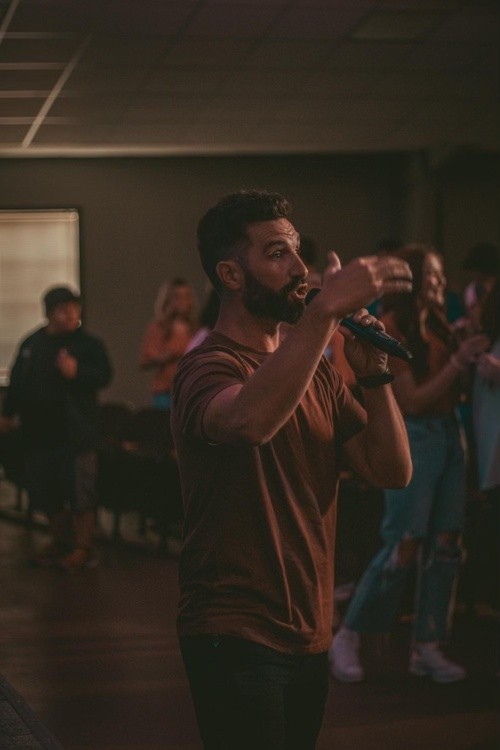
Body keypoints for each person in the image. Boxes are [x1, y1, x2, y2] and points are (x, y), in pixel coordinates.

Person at [170, 189, 413, 749]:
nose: (301, 269)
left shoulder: (318, 374)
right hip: (233, 627)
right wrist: (324, 314)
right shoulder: (207, 366)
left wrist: (374, 376)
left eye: (298, 251)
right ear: (232, 275)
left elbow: (392, 470)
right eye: (278, 253)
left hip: (309, 626)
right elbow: (248, 421)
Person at [330, 244, 490, 685]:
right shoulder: (392, 327)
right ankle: (349, 634)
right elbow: (413, 400)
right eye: (433, 274)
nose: (441, 282)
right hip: (416, 436)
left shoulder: (439, 324)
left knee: (446, 545)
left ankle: (428, 646)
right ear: (414, 280)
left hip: (450, 435)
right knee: (404, 543)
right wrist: (457, 361)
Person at [0, 286, 112, 570]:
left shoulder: (87, 344)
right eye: (64, 310)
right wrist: (7, 414)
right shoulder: (33, 343)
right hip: (39, 433)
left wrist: (77, 372)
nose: (71, 315)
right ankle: (61, 540)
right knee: (47, 491)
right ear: (50, 313)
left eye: (75, 308)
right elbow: (17, 383)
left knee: (80, 493)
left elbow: (104, 375)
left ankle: (83, 547)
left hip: (75, 433)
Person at [139, 277, 197, 410]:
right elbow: (145, 360)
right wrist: (166, 356)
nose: (182, 302)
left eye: (186, 297)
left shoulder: (196, 329)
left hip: (189, 391)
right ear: (168, 300)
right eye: (177, 297)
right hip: (165, 393)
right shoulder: (158, 328)